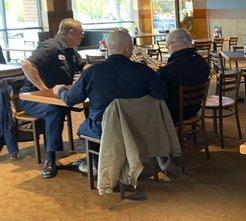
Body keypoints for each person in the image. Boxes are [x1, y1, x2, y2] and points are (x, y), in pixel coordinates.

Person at [53, 30, 167, 172]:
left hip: (104, 129)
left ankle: (97, 166)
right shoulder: (143, 70)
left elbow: (71, 100)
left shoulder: (93, 72)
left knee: (83, 128)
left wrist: (60, 90)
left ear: (107, 48)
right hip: (138, 126)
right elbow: (162, 94)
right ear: (127, 49)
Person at [20, 18, 85, 179]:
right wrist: (44, 89)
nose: (82, 36)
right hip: (33, 98)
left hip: (60, 96)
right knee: (54, 111)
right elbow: (27, 65)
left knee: (90, 103)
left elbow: (83, 65)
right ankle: (51, 158)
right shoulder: (50, 47)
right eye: (81, 33)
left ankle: (92, 142)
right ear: (71, 33)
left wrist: (93, 71)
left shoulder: (70, 49)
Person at [158, 29, 210, 124]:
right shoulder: (202, 61)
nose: (166, 47)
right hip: (195, 107)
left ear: (180, 44)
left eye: (169, 43)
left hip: (176, 112)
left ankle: (164, 137)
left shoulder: (171, 68)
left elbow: (158, 90)